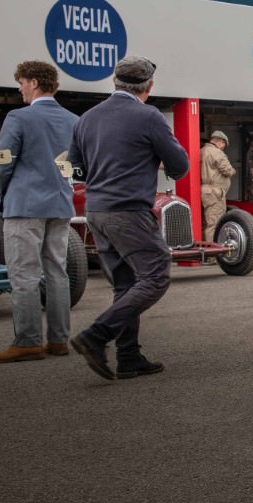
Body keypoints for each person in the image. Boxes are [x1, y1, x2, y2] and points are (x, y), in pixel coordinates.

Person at [68, 56, 190, 381]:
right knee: (155, 276)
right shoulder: (148, 116)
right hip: (128, 210)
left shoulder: (87, 118)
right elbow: (179, 164)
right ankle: (96, 335)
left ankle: (128, 357)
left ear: (115, 81)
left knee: (125, 283)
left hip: (96, 211)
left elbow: (75, 169)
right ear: (149, 86)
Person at [0, 61, 79, 364]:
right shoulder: (74, 120)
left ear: (34, 83)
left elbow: (2, 162)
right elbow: (78, 164)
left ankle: (27, 341)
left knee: (24, 273)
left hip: (24, 205)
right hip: (60, 205)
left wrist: (4, 193)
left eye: (22, 83)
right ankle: (59, 339)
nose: (20, 89)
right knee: (57, 272)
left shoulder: (18, 117)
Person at [200, 131, 234, 242]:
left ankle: (204, 248)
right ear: (221, 142)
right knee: (214, 224)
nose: (223, 148)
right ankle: (212, 252)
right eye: (224, 145)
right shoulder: (217, 152)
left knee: (205, 223)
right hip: (215, 193)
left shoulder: (201, 151)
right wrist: (233, 171)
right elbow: (227, 170)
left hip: (204, 191)